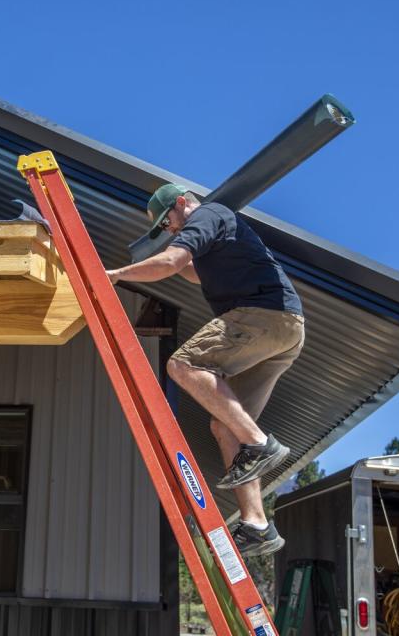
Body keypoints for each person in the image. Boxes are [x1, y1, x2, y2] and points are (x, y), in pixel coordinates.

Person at [106, 183, 304, 556]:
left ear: (183, 203)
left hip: (263, 316)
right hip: (284, 331)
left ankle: (260, 443)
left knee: (183, 364)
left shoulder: (208, 214)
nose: (170, 231)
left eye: (168, 222)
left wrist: (116, 274)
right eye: (164, 229)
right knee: (223, 423)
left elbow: (171, 263)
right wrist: (165, 257)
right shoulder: (214, 237)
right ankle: (257, 524)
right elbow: (192, 272)